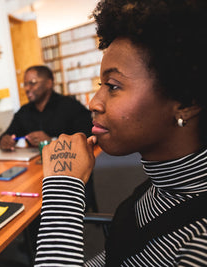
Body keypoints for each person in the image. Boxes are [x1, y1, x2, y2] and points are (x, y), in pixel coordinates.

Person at [35, 0, 207, 266]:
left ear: (186, 103)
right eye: (100, 84)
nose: (94, 102)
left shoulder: (198, 242)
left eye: (113, 86)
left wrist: (62, 189)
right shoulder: (161, 184)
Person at [0, 65, 92, 150]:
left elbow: (89, 134)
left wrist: (53, 141)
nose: (27, 88)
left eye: (33, 83)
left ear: (48, 84)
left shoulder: (70, 105)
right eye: (25, 84)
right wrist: (5, 140)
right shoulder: (24, 111)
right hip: (36, 164)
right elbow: (8, 134)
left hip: (68, 162)